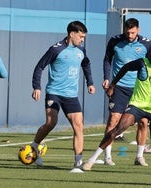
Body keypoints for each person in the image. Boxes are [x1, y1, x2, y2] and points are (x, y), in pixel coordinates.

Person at [82, 44, 151, 171]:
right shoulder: (142, 63)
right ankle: (91, 160)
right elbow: (125, 67)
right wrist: (113, 84)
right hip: (138, 107)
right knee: (117, 130)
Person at [31, 21, 95, 173]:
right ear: (71, 34)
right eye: (80, 36)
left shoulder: (81, 50)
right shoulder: (56, 49)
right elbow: (39, 66)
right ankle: (34, 146)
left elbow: (86, 64)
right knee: (51, 123)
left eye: (84, 37)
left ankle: (78, 162)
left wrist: (90, 82)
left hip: (71, 95)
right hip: (54, 92)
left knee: (79, 126)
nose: (82, 39)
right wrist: (37, 87)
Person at [102, 18, 151, 166]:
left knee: (143, 121)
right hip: (120, 87)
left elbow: (150, 65)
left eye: (133, 32)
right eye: (127, 32)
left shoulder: (147, 43)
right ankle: (107, 156)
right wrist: (106, 78)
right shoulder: (115, 41)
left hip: (139, 89)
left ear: (138, 30)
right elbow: (107, 60)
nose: (130, 35)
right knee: (113, 120)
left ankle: (139, 156)